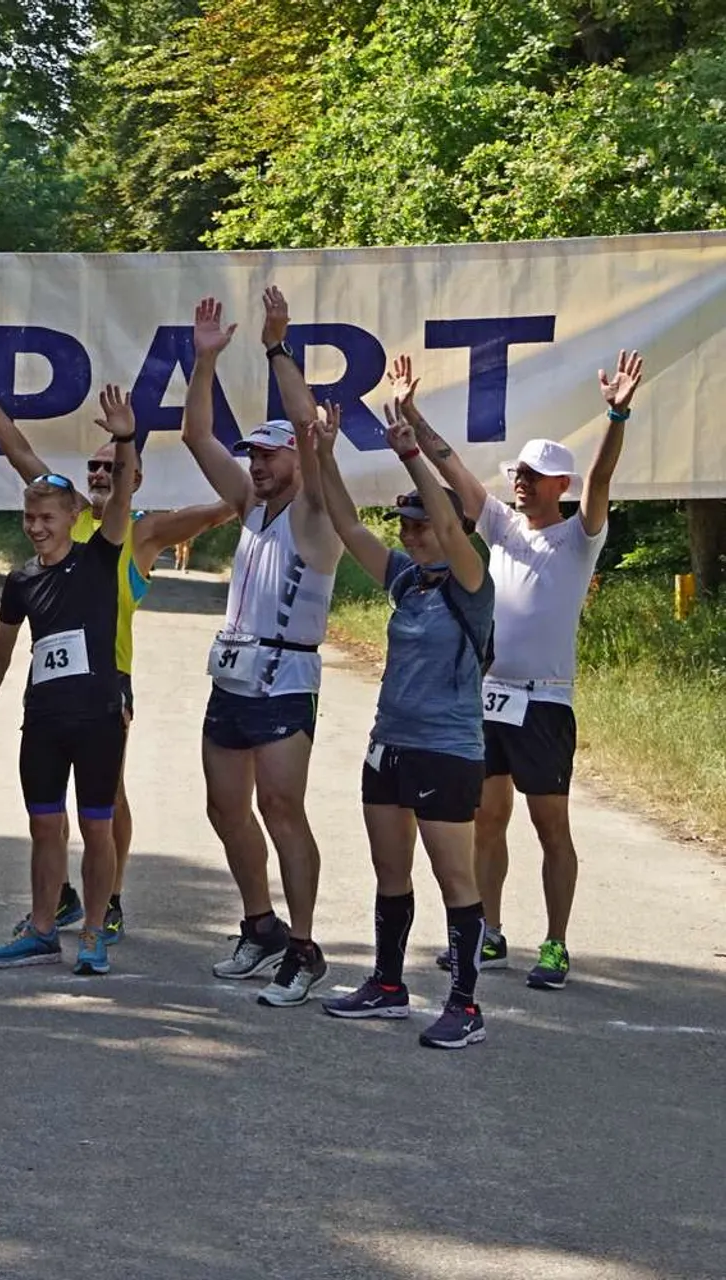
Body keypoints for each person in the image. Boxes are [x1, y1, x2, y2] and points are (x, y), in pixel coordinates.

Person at [0, 338, 235, 941]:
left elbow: (224, 508)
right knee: (49, 807)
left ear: (132, 476)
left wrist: (268, 495)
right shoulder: (64, 513)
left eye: (112, 468)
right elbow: (19, 448)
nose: (101, 474)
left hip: (111, 680)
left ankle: (114, 895)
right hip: (52, 689)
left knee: (108, 797)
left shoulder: (144, 532)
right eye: (94, 468)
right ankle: (61, 903)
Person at [405, 348, 644, 989]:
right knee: (486, 819)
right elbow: (452, 465)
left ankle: (557, 944)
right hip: (491, 696)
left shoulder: (578, 536)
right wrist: (412, 415)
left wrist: (615, 416)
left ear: (558, 487)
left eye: (536, 476)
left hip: (544, 702)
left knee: (550, 825)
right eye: (520, 473)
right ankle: (488, 934)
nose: (522, 481)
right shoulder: (504, 528)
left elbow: (600, 482)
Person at [310, 396, 495, 1048]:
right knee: (390, 872)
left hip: (446, 749)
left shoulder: (471, 581)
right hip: (389, 745)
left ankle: (466, 1006)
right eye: (406, 526)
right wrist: (324, 457)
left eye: (421, 524)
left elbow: (450, 529)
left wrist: (412, 452)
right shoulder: (406, 580)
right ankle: (389, 986)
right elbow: (346, 524)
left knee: (455, 880)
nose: (412, 534)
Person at [180, 290, 343, 1007]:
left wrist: (278, 348)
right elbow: (195, 436)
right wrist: (205, 362)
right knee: (225, 807)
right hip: (233, 671)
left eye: (269, 455)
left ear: (297, 461)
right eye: (254, 454)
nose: (256, 464)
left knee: (282, 807)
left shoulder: (316, 513)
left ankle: (305, 948)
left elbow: (308, 424)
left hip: (286, 673)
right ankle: (260, 923)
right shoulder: (249, 506)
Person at [0, 387, 138, 975]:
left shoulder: (100, 555)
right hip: (42, 721)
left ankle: (92, 930)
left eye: (47, 517)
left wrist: (124, 438)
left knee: (96, 826)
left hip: (96, 719)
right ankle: (42, 928)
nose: (36, 527)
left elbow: (117, 503)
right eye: (29, 517)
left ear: (73, 517)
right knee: (44, 826)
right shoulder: (20, 581)